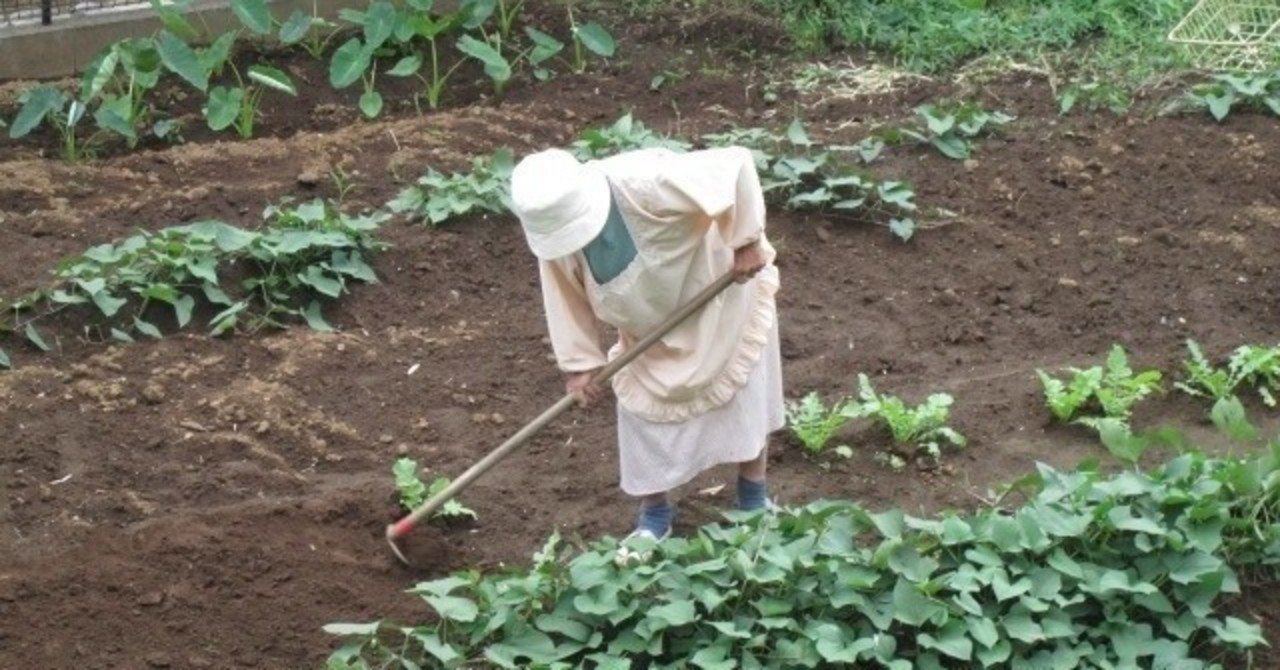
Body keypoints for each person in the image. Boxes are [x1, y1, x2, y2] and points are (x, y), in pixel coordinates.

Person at [509, 144, 783, 558]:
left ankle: (752, 496)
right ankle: (654, 515)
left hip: (717, 296)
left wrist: (745, 240)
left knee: (743, 391)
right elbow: (563, 295)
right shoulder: (557, 238)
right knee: (643, 412)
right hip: (647, 332)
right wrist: (580, 364)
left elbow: (736, 164)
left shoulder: (647, 182)